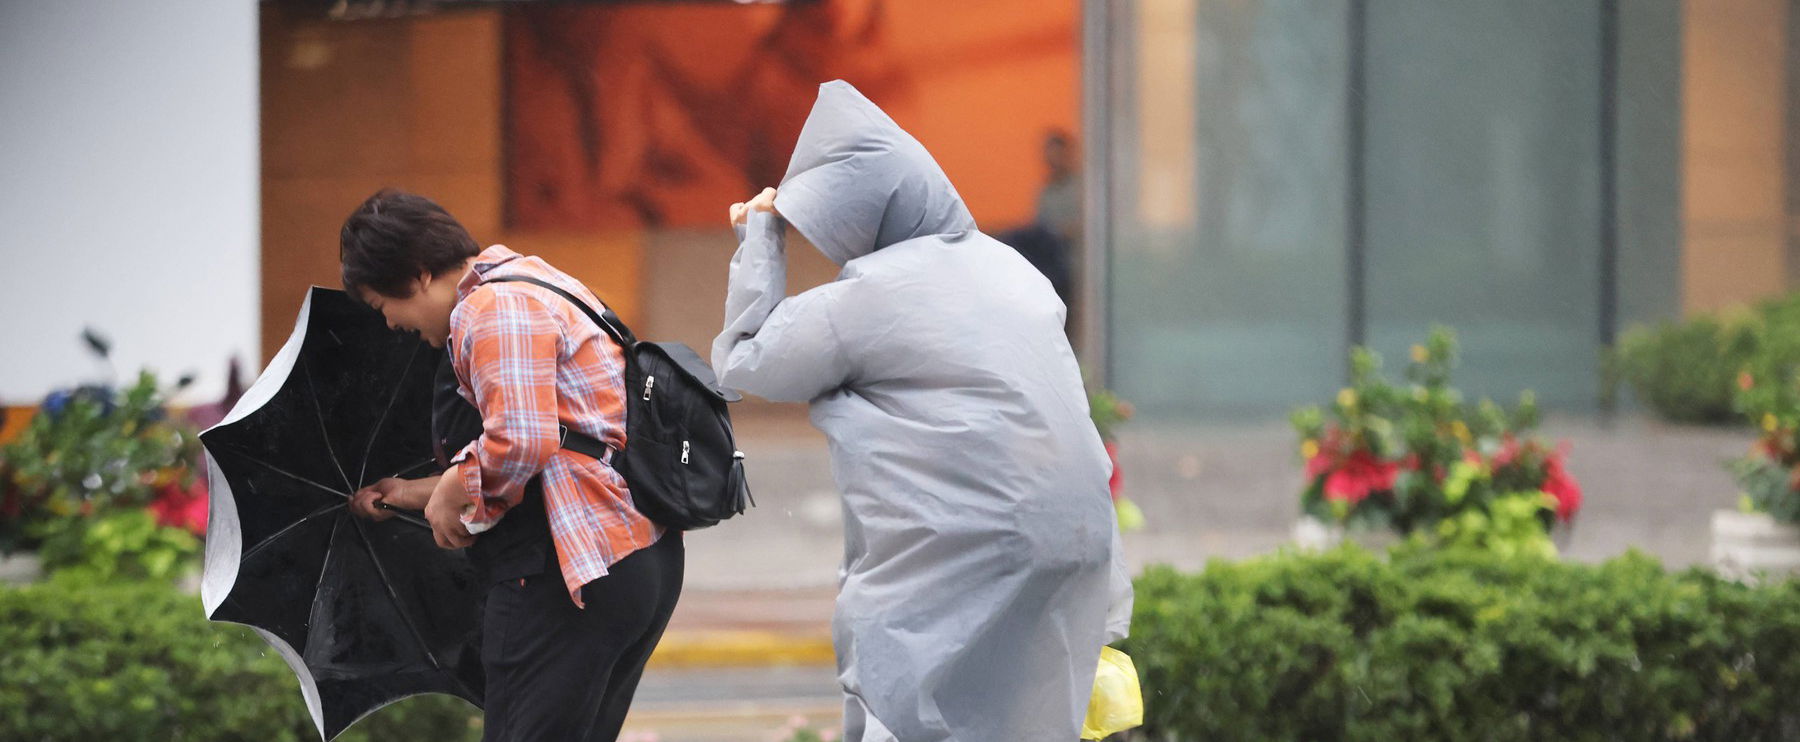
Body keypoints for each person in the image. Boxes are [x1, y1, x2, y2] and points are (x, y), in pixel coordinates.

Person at [714, 81, 1132, 741]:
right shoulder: (1013, 268)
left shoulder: (876, 289)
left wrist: (763, 234)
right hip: (1081, 545)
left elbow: (745, 361)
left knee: (898, 706)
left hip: (965, 551)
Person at [337, 189, 681, 742]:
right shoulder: (536, 278)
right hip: (632, 557)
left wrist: (458, 489)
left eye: (385, 307)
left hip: (567, 575)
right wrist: (411, 493)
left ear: (419, 275)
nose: (392, 325)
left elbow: (522, 439)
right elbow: (562, 447)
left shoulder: (491, 307)